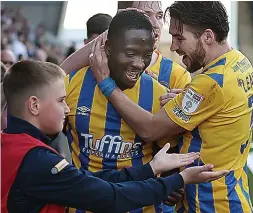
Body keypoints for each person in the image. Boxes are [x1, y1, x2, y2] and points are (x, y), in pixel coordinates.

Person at [89, 2, 253, 213]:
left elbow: (150, 129)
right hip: (232, 191)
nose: (174, 46)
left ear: (208, 36)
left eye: (180, 38)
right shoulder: (239, 62)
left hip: (213, 203)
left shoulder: (210, 83)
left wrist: (107, 85)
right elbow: (221, 108)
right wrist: (188, 99)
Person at [1, 60, 227, 213]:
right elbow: (111, 197)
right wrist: (180, 180)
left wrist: (151, 168)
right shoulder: (38, 160)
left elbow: (88, 180)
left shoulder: (12, 144)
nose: (67, 108)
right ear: (34, 105)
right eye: (61, 101)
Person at [64, 9, 183, 213]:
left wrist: (171, 182)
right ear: (108, 48)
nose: (138, 64)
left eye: (146, 55)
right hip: (83, 206)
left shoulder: (159, 95)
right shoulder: (71, 86)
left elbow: (169, 155)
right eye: (130, 53)